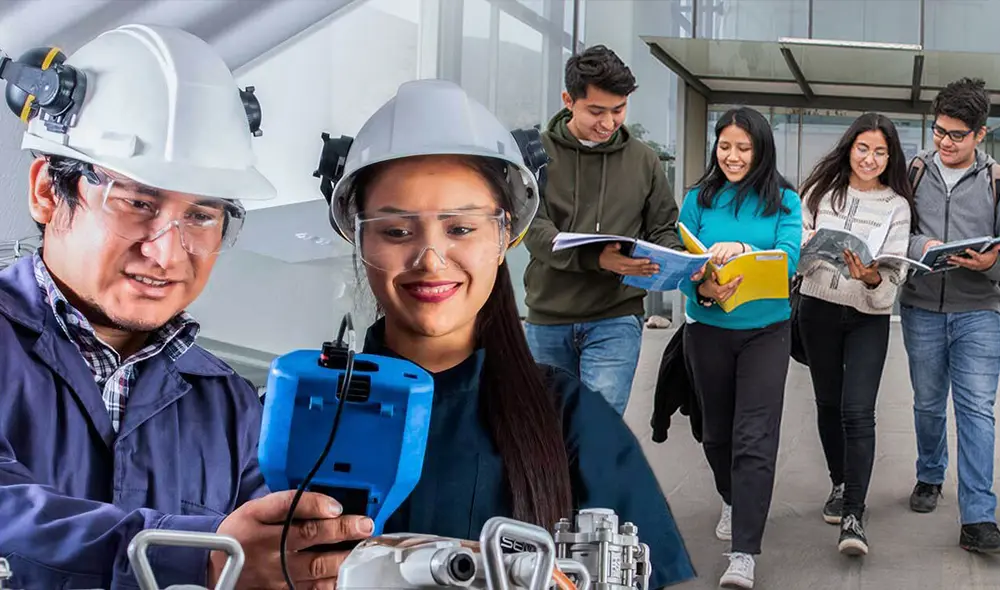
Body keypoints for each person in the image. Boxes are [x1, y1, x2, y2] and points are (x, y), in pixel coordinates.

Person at [0, 25, 369, 589]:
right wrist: (202, 558)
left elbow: (268, 554)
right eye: (136, 203)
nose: (166, 252)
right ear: (49, 191)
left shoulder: (229, 407)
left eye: (200, 216)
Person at [321, 78, 696, 588]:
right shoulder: (307, 413)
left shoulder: (569, 420)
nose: (430, 260)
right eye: (396, 230)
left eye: (461, 228)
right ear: (357, 235)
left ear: (503, 236)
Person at [520, 45, 683, 415]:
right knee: (547, 432)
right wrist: (598, 259)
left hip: (616, 317)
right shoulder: (535, 155)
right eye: (596, 111)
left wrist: (677, 261)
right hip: (549, 318)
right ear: (568, 100)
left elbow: (662, 227)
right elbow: (533, 229)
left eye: (619, 110)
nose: (609, 122)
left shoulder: (644, 160)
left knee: (597, 432)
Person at [678, 106, 801, 589]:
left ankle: (744, 552)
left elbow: (790, 259)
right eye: (724, 146)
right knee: (715, 435)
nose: (732, 156)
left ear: (761, 150)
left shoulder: (784, 200)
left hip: (766, 332)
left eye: (743, 148)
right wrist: (702, 289)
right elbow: (681, 262)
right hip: (707, 330)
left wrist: (745, 253)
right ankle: (731, 497)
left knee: (754, 438)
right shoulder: (698, 198)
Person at [796, 113, 916, 556]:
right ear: (849, 147)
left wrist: (869, 277)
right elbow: (797, 246)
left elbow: (896, 271)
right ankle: (839, 482)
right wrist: (810, 251)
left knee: (857, 410)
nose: (870, 158)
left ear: (890, 157)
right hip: (818, 310)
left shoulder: (897, 206)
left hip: (868, 316)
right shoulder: (820, 192)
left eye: (880, 151)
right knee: (828, 403)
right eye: (863, 148)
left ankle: (854, 514)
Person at [901, 77, 1000, 552]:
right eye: (939, 131)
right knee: (926, 402)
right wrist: (925, 246)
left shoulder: (996, 180)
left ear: (981, 134)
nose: (945, 142)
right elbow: (897, 230)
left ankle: (978, 516)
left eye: (957, 135)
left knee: (977, 409)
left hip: (980, 308)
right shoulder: (915, 171)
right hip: (921, 305)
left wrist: (992, 261)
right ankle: (929, 473)